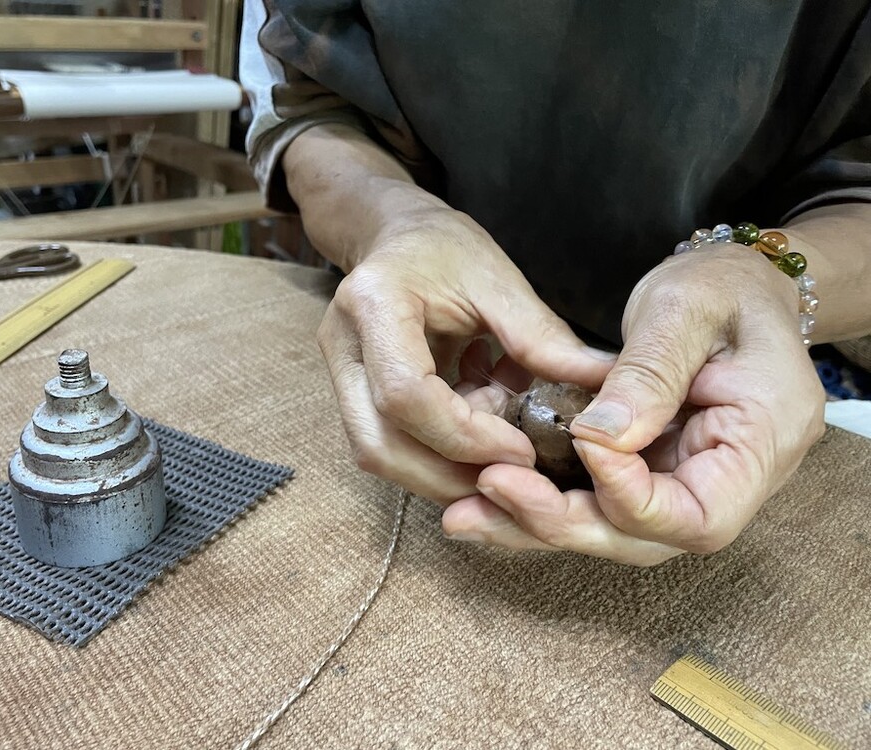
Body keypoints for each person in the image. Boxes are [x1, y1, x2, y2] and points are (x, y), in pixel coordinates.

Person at [239, 1, 871, 565]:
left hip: (737, 383)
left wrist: (762, 277)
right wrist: (396, 223)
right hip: (428, 338)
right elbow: (312, 110)